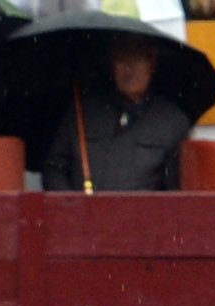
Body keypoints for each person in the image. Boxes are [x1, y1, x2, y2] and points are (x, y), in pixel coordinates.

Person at [40, 38, 192, 193]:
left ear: (152, 63)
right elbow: (55, 168)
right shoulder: (83, 112)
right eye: (121, 60)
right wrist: (73, 206)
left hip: (141, 215)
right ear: (111, 64)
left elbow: (176, 191)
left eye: (137, 60)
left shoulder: (172, 122)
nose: (129, 69)